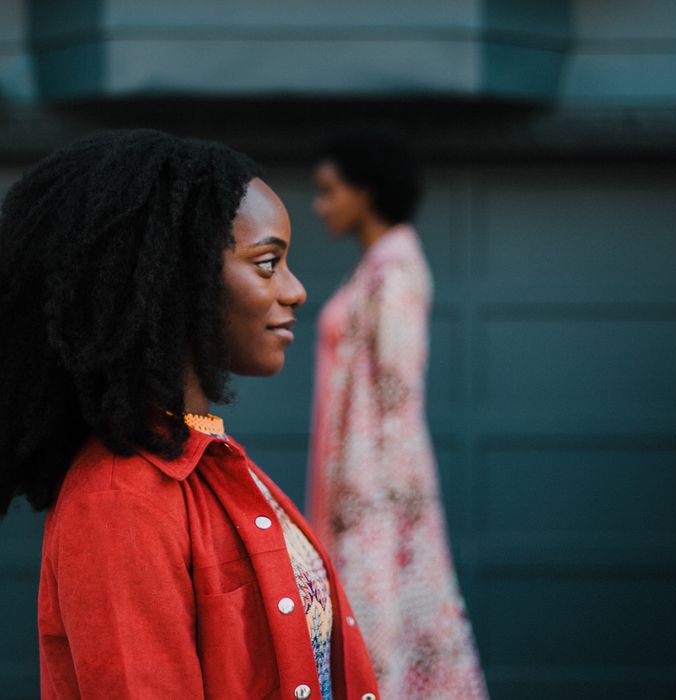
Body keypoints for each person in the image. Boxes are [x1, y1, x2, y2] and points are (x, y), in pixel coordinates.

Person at [0, 129, 379, 700]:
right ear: (180, 283)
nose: (296, 291)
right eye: (268, 263)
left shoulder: (209, 462)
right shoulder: (117, 502)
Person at [307, 129, 488, 700]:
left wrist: (377, 504)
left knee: (377, 619)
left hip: (376, 490)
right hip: (354, 484)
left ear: (367, 191)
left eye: (330, 190)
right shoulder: (375, 268)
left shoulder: (395, 272)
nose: (320, 205)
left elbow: (398, 395)